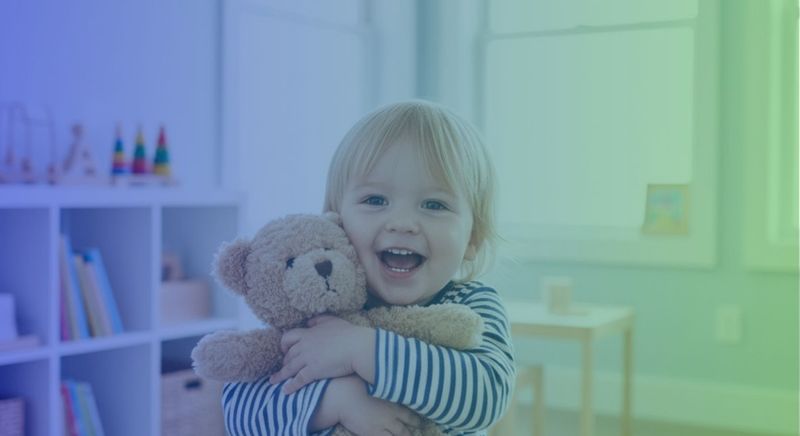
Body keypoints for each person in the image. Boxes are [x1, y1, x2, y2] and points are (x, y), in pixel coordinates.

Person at [222, 100, 515, 435]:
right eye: (375, 200)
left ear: (473, 238)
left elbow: (485, 398)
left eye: (434, 204)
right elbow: (238, 411)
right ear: (335, 220)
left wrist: (361, 348)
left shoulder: (471, 304)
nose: (403, 223)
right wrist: (336, 401)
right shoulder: (316, 307)